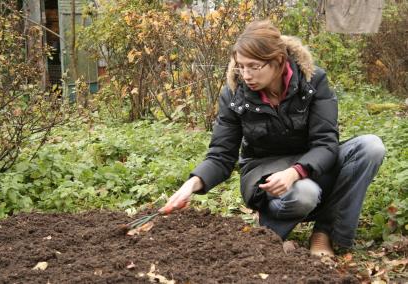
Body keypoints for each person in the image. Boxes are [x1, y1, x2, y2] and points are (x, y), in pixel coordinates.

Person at [159, 20, 385, 256]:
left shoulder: (313, 81)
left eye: (254, 66)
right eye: (241, 66)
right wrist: (191, 185)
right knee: (304, 193)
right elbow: (221, 155)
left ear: (278, 61)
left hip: (311, 163)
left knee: (370, 147)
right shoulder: (234, 94)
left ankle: (325, 232)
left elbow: (325, 143)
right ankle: (269, 232)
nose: (246, 75)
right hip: (263, 170)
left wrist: (295, 171)